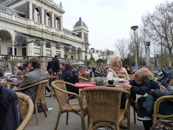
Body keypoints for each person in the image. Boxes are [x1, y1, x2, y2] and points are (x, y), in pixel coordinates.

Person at [106, 55, 129, 129]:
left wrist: (126, 81)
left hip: (124, 91)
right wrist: (122, 80)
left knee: (124, 96)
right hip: (114, 93)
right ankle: (115, 119)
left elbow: (128, 80)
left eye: (121, 61)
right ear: (114, 64)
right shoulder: (111, 70)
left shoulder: (124, 70)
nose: (121, 63)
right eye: (119, 62)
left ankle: (119, 119)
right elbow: (109, 79)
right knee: (121, 97)